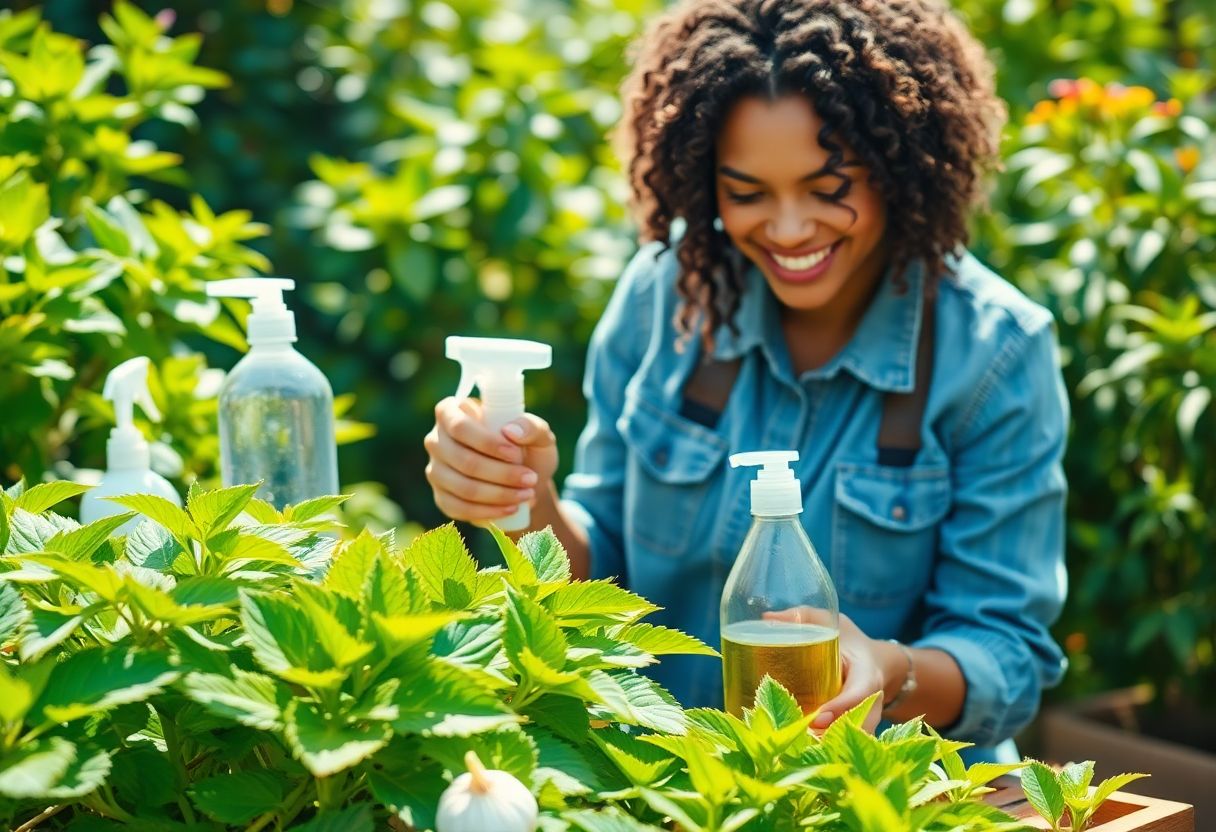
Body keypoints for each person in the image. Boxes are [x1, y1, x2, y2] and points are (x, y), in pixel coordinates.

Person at [424, 0, 1068, 762]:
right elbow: (599, 563)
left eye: (829, 186)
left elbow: (1008, 652)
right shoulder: (666, 297)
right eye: (748, 193)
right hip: (667, 778)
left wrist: (890, 673)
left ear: (901, 165)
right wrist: (526, 502)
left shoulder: (992, 352)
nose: (790, 229)